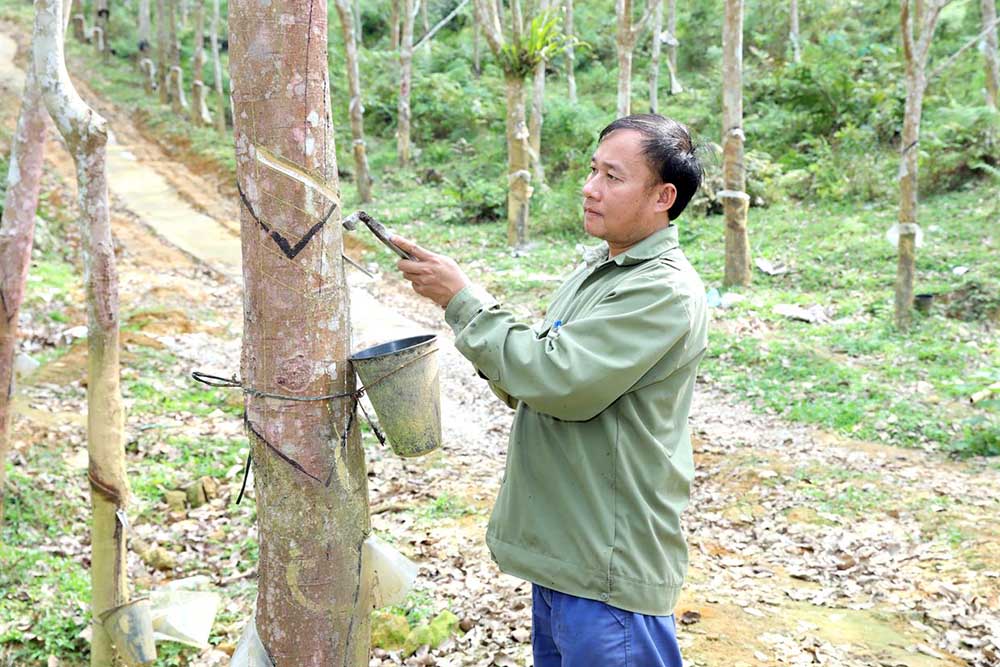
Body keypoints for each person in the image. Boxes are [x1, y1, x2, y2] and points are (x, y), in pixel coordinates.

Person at [392, 114, 708, 667]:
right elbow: (533, 377)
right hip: (569, 555)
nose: (590, 188)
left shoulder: (662, 289)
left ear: (663, 196)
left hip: (607, 568)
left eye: (612, 176)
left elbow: (555, 380)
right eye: (592, 170)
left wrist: (462, 300)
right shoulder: (605, 271)